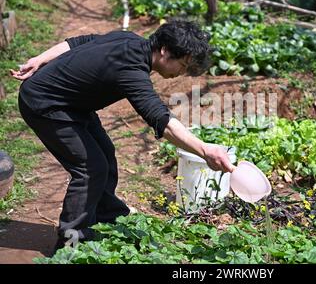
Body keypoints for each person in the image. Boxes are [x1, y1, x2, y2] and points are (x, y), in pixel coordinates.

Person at [10, 20, 236, 253]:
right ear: (165, 51)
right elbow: (161, 120)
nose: (182, 72)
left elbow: (79, 42)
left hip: (72, 104)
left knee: (105, 156)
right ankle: (70, 244)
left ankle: (107, 217)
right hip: (45, 105)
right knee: (90, 169)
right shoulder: (131, 70)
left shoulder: (131, 40)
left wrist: (39, 59)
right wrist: (205, 150)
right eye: (183, 64)